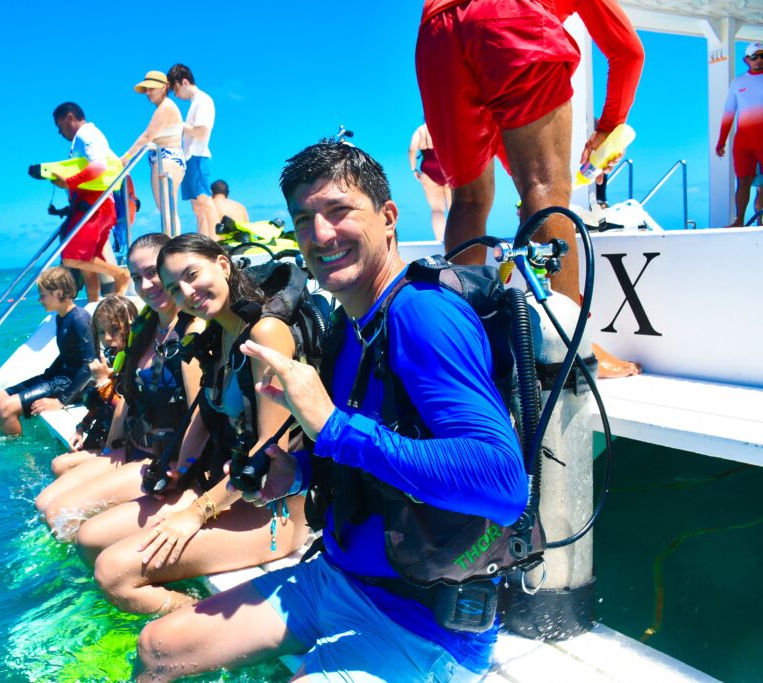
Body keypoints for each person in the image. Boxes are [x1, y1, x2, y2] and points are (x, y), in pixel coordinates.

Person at [133, 142, 529, 682]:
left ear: (388, 218)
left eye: (339, 211)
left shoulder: (423, 316)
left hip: (421, 621)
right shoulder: (349, 324)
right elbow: (366, 457)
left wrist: (335, 429)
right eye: (304, 220)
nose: (320, 235)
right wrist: (295, 473)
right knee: (158, 646)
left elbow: (504, 487)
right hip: (337, 578)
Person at [71, 234, 310, 616]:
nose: (186, 292)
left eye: (192, 274)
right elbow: (204, 416)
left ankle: (192, 621)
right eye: (174, 288)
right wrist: (177, 469)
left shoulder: (266, 332)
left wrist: (196, 512)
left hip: (272, 513)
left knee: (113, 572)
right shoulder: (216, 335)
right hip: (222, 489)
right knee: (89, 538)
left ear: (224, 264)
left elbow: (268, 451)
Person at [415, 0, 644, 378]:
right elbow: (628, 51)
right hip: (510, 16)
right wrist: (609, 125)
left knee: (469, 199)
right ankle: (568, 351)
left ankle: (458, 350)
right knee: (547, 187)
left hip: (436, 32)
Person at [36, 233, 204, 538]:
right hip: (133, 448)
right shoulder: (147, 327)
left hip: (163, 461)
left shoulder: (192, 330)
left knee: (61, 514)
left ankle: (80, 578)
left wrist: (179, 472)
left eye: (153, 272)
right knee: (44, 502)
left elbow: (199, 415)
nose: (147, 285)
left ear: (171, 269)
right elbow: (126, 396)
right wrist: (111, 447)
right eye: (138, 277)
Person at [0, 267, 96, 437]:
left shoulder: (79, 318)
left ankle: (15, 456)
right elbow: (66, 354)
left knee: (7, 410)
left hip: (73, 384)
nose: (40, 300)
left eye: (43, 295)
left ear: (59, 292)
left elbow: (89, 364)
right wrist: (47, 376)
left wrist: (61, 401)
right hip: (58, 378)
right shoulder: (60, 317)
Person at [45, 294, 139, 477]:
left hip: (124, 447)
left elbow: (124, 410)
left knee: (60, 465)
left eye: (115, 330)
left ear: (130, 327)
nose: (108, 338)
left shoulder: (136, 363)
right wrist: (82, 427)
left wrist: (103, 382)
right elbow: (101, 404)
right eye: (102, 332)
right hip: (105, 438)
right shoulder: (116, 359)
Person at [46, 102, 132, 303]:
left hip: (96, 204)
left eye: (60, 126)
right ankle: (93, 304)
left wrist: (68, 181)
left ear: (69, 117)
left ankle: (120, 274)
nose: (60, 132)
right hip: (93, 204)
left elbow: (99, 166)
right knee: (86, 263)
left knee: (72, 257)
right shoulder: (82, 139)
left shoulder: (87, 135)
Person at [123, 71, 186, 234]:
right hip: (170, 158)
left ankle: (173, 249)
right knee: (168, 210)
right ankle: (174, 247)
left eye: (152, 88)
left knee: (167, 211)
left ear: (165, 87)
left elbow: (147, 136)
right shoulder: (166, 107)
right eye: (146, 89)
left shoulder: (165, 108)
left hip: (166, 159)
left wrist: (126, 158)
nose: (148, 93)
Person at [168, 64, 221, 238]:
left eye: (175, 89)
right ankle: (205, 242)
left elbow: (201, 130)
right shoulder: (195, 103)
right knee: (197, 206)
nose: (176, 95)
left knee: (204, 201)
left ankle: (215, 242)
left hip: (198, 156)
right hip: (190, 157)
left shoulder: (203, 100)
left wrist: (179, 124)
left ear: (184, 82)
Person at [715, 42, 763, 227]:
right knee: (743, 182)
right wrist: (721, 141)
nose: (759, 60)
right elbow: (729, 111)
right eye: (755, 56)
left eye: (762, 56)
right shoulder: (738, 82)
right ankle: (739, 221)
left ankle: (761, 222)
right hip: (743, 143)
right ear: (746, 60)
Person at [408, 123, 452, 241]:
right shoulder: (447, 125)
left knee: (437, 209)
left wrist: (413, 169)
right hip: (449, 167)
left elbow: (412, 149)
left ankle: (439, 241)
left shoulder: (421, 130)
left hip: (429, 170)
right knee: (455, 207)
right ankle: (458, 239)